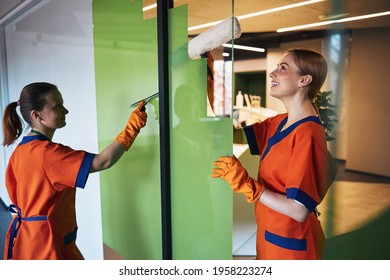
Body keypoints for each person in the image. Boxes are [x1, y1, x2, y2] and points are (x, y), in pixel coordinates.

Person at [211, 48, 337, 260]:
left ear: (304, 80)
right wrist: (213, 86)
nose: (273, 73)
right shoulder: (278, 122)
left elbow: (299, 210)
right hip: (271, 237)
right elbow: (233, 135)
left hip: (293, 246)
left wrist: (249, 186)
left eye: (283, 68)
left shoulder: (308, 135)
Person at [1, 82, 147, 260]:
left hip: (26, 244)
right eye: (58, 106)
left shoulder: (20, 152)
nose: (66, 111)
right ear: (37, 115)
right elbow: (103, 161)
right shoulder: (47, 154)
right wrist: (133, 127)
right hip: (49, 248)